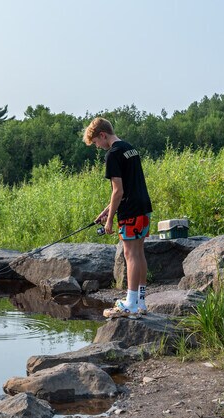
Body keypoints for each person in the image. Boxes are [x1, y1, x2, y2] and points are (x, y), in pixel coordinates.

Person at [83, 117, 153, 318]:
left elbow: (118, 191)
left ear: (102, 135)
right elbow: (128, 186)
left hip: (130, 210)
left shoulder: (113, 154)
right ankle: (140, 302)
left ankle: (130, 303)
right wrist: (107, 209)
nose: (98, 147)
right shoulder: (130, 148)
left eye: (96, 143)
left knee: (129, 254)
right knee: (138, 253)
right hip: (143, 206)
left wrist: (110, 219)